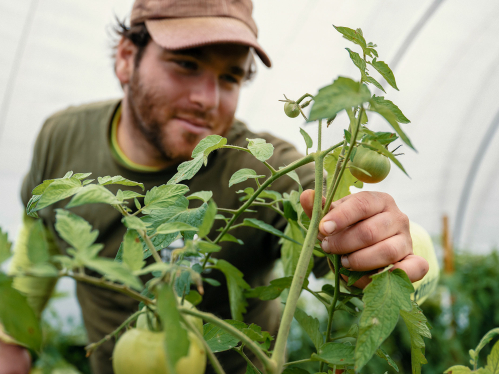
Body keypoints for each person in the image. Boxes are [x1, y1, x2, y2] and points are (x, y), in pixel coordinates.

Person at [0, 0, 437, 373]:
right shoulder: (63, 138)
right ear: (126, 58)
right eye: (186, 65)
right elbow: (39, 242)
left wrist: (395, 246)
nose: (208, 99)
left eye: (230, 77)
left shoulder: (261, 169)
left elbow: (345, 213)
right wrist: (11, 338)